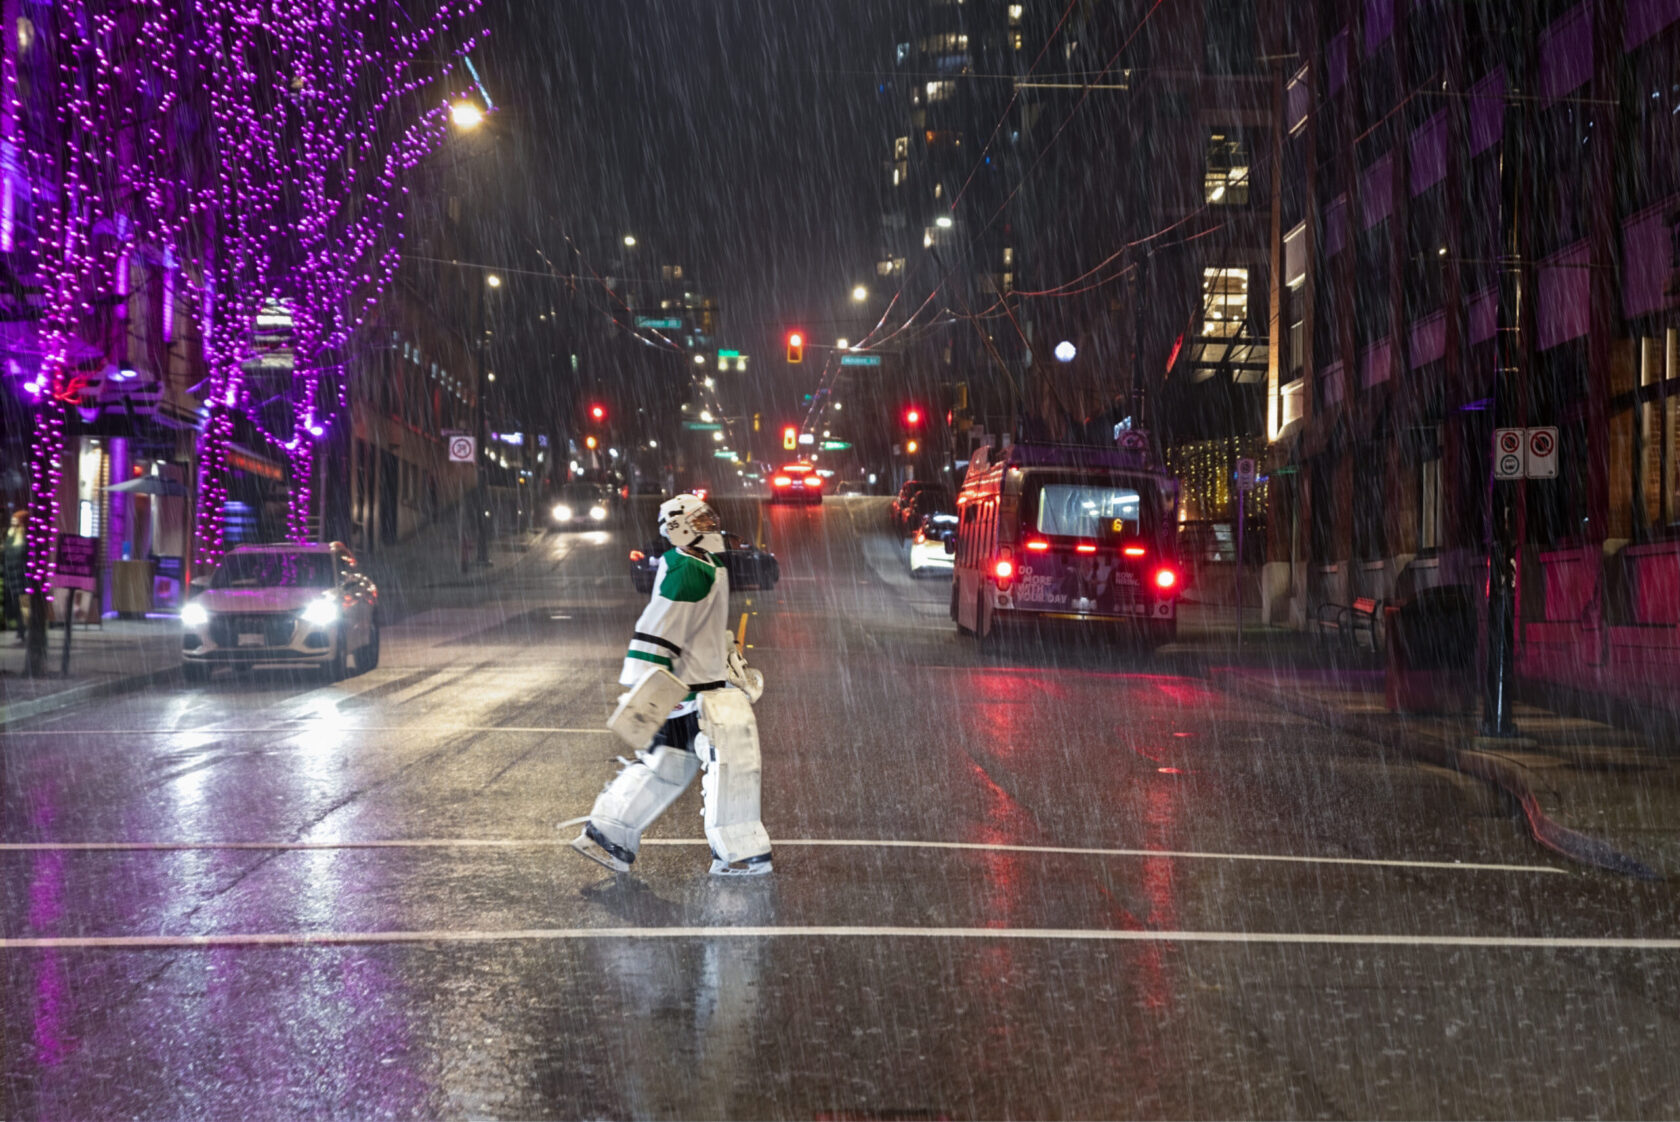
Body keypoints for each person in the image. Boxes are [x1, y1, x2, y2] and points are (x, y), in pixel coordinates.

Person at [570, 493, 773, 876]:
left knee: (671, 765)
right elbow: (659, 627)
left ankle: (609, 832)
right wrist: (647, 683)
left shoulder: (703, 564)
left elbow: (693, 629)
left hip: (702, 688)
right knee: (726, 763)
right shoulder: (690, 566)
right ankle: (739, 851)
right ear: (681, 527)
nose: (712, 528)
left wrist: (725, 658)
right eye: (703, 522)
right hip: (693, 694)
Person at [2, 509, 25, 644]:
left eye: (16, 519)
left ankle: (21, 631)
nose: (13, 521)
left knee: (18, 606)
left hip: (17, 577)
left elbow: (20, 556)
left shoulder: (22, 538)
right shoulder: (11, 535)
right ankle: (18, 630)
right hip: (10, 576)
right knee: (13, 605)